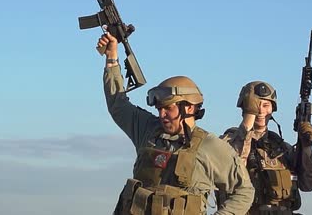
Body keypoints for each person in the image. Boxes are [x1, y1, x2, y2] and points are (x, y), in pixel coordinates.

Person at [98, 33, 254, 215]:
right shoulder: (149, 130)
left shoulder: (210, 146)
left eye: (168, 108)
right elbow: (118, 104)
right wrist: (111, 59)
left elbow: (244, 191)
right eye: (159, 108)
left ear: (188, 108)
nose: (161, 114)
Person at [220, 81, 312, 215]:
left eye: (266, 105)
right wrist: (248, 121)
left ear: (273, 108)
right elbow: (232, 171)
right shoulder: (229, 142)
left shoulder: (281, 148)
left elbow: (308, 184)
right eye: (256, 105)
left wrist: (306, 147)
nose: (261, 111)